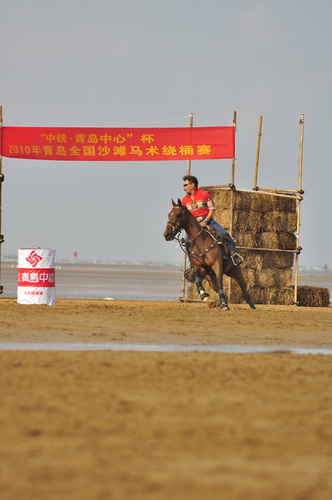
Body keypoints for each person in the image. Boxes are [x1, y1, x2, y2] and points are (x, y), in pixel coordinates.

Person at [181, 175, 243, 266]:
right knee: (187, 242)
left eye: (185, 185)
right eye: (184, 185)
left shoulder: (204, 194)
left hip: (208, 220)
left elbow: (212, 209)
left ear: (192, 184)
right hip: (195, 224)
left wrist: (205, 220)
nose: (184, 188)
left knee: (224, 234)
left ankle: (235, 255)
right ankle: (192, 264)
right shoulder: (184, 200)